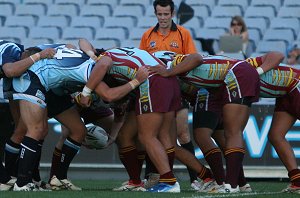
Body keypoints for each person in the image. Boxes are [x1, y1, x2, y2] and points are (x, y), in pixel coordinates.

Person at [11, 46, 149, 191]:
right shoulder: (93, 75)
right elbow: (108, 95)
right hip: (35, 77)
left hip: (50, 84)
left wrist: (111, 139)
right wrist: (136, 81)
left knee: (78, 130)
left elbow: (80, 45)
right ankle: (22, 182)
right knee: (36, 130)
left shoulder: (92, 65)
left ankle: (58, 178)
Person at [78, 39, 182, 193]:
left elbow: (104, 73)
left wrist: (86, 92)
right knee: (129, 136)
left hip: (151, 81)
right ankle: (135, 182)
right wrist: (112, 137)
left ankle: (169, 181)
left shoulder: (102, 61)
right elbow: (83, 42)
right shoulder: (119, 54)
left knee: (147, 137)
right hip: (169, 81)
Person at [149, 52, 262, 193]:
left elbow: (196, 58)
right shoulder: (175, 70)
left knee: (216, 133)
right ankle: (239, 183)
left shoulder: (174, 63)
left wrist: (168, 72)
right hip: (221, 85)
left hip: (228, 79)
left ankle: (226, 183)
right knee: (222, 135)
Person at [139, 0, 200, 190]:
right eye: (159, 14)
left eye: (166, 14)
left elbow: (191, 61)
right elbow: (141, 62)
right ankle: (154, 176)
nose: (163, 18)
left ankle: (196, 178)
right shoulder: (147, 35)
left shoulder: (184, 34)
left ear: (172, 13)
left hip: (177, 87)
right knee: (154, 133)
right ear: (155, 13)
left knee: (182, 133)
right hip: (154, 91)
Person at [0, 40, 55, 191]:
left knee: (22, 129)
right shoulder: (12, 48)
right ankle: (6, 178)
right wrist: (38, 57)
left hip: (9, 84)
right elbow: (11, 71)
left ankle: (11, 177)